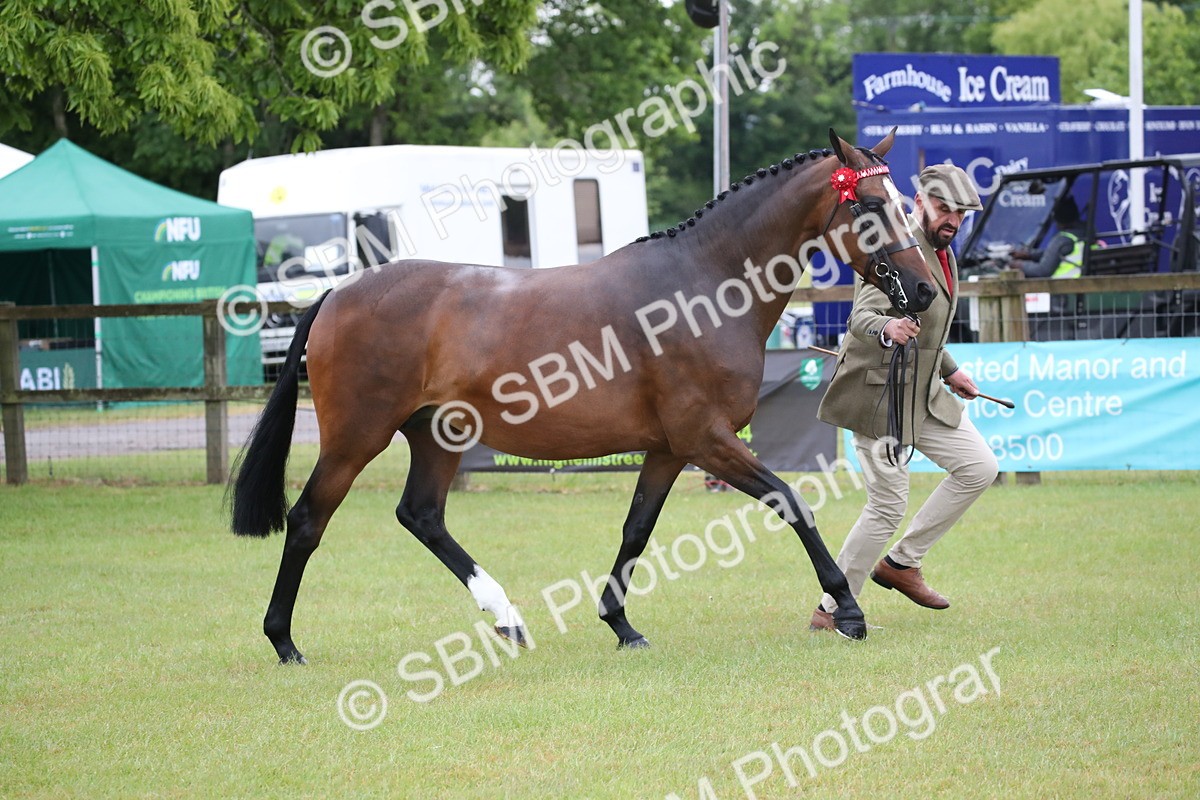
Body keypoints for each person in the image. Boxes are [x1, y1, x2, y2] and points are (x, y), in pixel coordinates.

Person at [810, 163, 999, 631]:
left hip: (925, 394)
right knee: (887, 506)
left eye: (961, 212)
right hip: (879, 397)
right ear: (919, 202)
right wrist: (888, 327)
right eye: (944, 208)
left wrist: (951, 371)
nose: (952, 219)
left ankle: (902, 563)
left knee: (979, 467)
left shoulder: (945, 253)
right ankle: (832, 610)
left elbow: (930, 329)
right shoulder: (893, 247)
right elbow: (860, 319)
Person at [1012, 194, 1087, 279]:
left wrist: (1018, 264)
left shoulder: (1062, 240)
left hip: (1062, 284)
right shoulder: (1085, 233)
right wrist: (1030, 255)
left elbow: (1042, 270)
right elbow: (1054, 254)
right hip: (1080, 282)